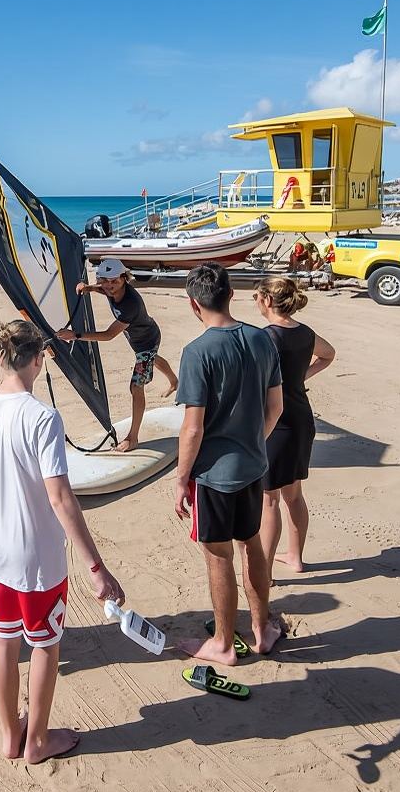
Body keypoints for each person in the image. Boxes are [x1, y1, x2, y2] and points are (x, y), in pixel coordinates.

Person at [0, 320, 125, 764]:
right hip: (36, 556)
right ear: (39, 360)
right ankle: (35, 739)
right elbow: (60, 496)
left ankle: (8, 734)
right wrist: (97, 567)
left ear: (1, 357)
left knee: (3, 640)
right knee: (44, 644)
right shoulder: (42, 418)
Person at [174, 262, 284, 665]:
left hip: (215, 475)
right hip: (254, 465)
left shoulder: (197, 352)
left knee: (218, 553)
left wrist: (180, 476)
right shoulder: (261, 340)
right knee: (251, 543)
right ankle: (261, 628)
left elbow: (192, 428)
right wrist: (254, 443)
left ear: (193, 305)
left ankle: (223, 642)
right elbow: (275, 407)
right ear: (231, 295)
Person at [252, 277, 336, 578]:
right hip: (301, 418)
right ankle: (295, 558)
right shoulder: (304, 332)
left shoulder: (265, 337)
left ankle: (265, 574)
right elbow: (328, 354)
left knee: (269, 499)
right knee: (294, 495)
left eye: (256, 298)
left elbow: (253, 384)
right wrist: (300, 378)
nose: (255, 303)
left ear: (267, 301)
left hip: (277, 423)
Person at [56, 258, 179, 452]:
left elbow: (108, 335)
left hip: (147, 340)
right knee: (151, 358)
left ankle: (133, 437)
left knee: (136, 387)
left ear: (124, 278)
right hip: (138, 339)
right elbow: (103, 288)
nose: (110, 286)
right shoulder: (109, 287)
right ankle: (174, 382)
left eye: (115, 281)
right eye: (105, 280)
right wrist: (88, 287)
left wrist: (75, 336)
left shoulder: (130, 305)